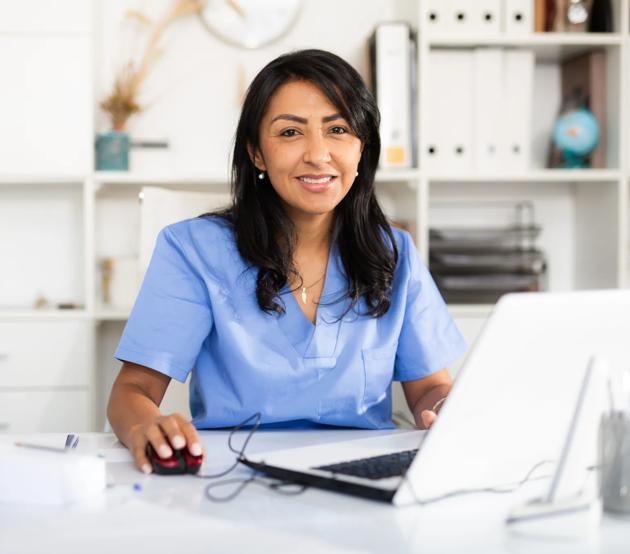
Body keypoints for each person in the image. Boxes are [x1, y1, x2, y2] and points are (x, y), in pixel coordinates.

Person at [107, 49, 467, 474]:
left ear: (361, 148)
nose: (318, 154)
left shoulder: (395, 253)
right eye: (291, 133)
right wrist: (147, 426)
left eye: (337, 129)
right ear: (257, 153)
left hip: (363, 476)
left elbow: (428, 387)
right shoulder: (193, 249)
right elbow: (133, 389)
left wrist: (446, 408)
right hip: (233, 474)